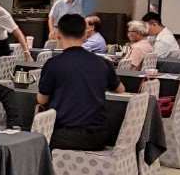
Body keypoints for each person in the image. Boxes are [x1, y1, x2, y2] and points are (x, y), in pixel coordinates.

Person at [37, 13, 123, 151]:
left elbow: (42, 100)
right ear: (85, 35)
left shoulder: (53, 64)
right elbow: (120, 89)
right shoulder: (103, 63)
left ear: (58, 34)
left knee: (33, 138)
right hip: (100, 136)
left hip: (66, 134)